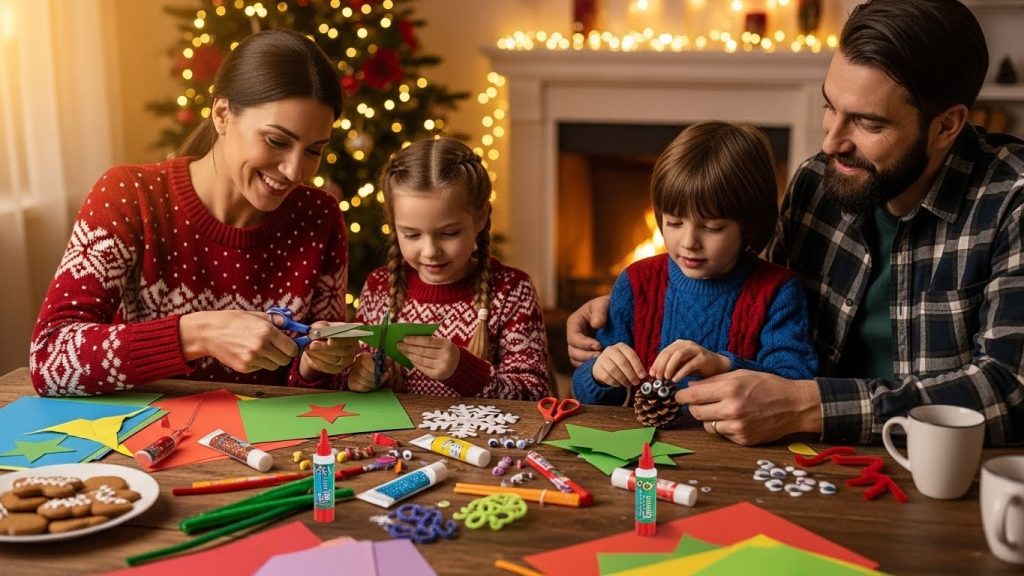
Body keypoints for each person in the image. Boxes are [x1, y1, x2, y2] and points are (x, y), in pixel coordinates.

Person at [567, 0, 1024, 446]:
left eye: (866, 123)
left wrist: (807, 404)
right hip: (802, 459)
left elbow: (1009, 391)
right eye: (830, 107)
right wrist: (642, 299)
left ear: (947, 126)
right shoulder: (817, 184)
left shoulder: (1011, 201)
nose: (831, 142)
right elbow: (754, 298)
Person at [30, 29, 358, 396]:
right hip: (143, 444)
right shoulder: (130, 196)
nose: (295, 171)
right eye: (276, 141)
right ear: (221, 114)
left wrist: (317, 365)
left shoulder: (319, 216)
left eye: (314, 150)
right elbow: (50, 358)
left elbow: (318, 384)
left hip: (271, 450)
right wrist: (197, 333)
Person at [572, 121, 818, 407]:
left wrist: (724, 365)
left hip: (734, 448)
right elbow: (587, 392)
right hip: (643, 445)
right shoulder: (637, 281)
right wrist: (599, 374)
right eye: (674, 222)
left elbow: (795, 384)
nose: (689, 241)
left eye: (712, 228)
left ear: (750, 225)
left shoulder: (778, 292)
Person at [347, 137, 550, 400]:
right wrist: (358, 376)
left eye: (449, 233)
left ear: (481, 218)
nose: (431, 251)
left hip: (481, 440)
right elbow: (348, 372)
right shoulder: (379, 288)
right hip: (391, 439)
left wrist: (462, 370)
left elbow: (534, 393)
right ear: (394, 225)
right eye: (411, 234)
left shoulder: (511, 291)